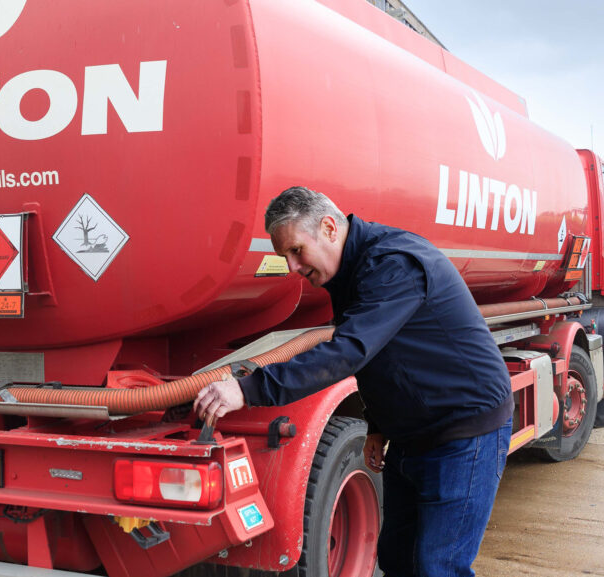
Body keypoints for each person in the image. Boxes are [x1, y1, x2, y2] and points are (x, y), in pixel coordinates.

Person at [193, 186, 513, 577]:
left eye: (296, 250)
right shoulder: (351, 271)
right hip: (414, 437)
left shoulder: (394, 263)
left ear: (329, 227)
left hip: (464, 435)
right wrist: (378, 426)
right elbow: (389, 358)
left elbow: (350, 351)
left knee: (438, 567)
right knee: (397, 560)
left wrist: (246, 388)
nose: (292, 267)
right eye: (285, 257)